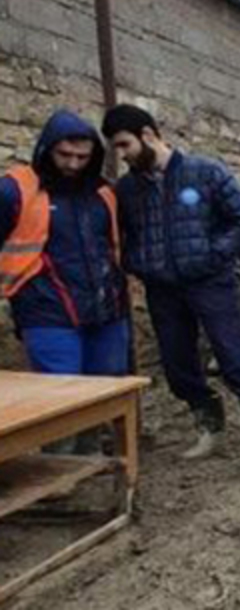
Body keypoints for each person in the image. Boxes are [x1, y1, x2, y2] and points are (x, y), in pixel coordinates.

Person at [103, 104, 240, 472]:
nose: (121, 154)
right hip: (163, 289)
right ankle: (208, 424)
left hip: (212, 283)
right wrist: (138, 263)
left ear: (148, 135)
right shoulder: (128, 189)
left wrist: (215, 255)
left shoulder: (206, 171)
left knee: (232, 355)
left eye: (123, 144)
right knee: (177, 364)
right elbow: (124, 236)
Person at [0, 111, 129, 455]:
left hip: (106, 308)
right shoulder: (15, 189)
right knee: (58, 393)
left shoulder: (104, 193)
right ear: (47, 149)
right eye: (65, 155)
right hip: (46, 309)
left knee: (102, 388)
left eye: (82, 157)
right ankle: (57, 467)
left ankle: (87, 458)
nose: (73, 164)